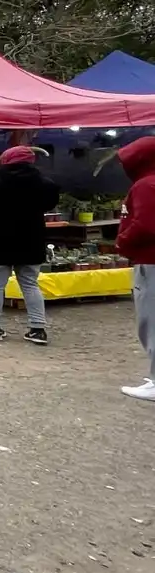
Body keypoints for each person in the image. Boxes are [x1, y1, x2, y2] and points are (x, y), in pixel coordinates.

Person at [0, 145, 59, 345]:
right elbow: (50, 205)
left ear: (5, 161)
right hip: (31, 238)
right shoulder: (45, 183)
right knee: (31, 284)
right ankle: (37, 328)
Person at [116, 137, 155, 401]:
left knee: (151, 320)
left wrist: (122, 242)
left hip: (150, 260)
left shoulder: (146, 185)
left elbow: (146, 224)